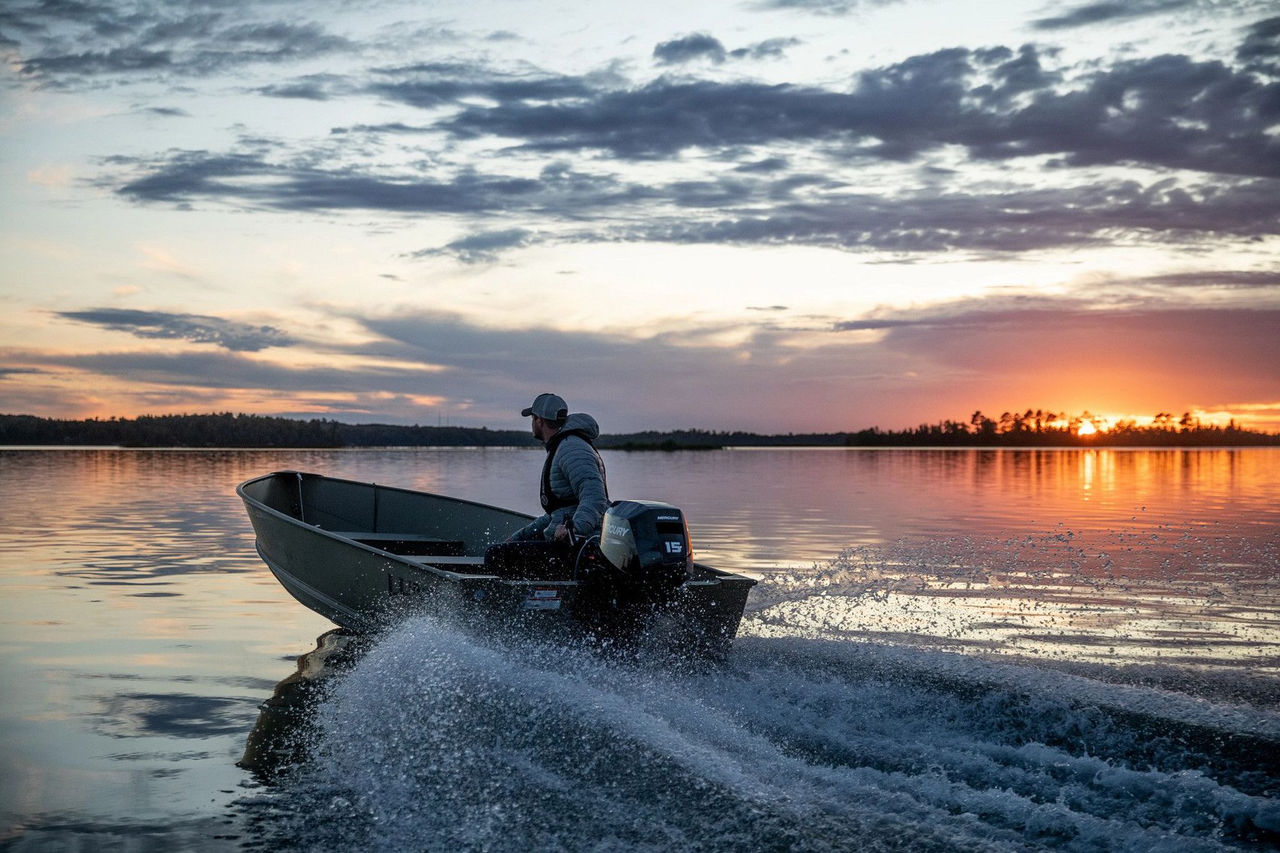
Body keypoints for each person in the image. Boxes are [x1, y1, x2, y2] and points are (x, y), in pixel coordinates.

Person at [507, 392, 609, 543]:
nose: (532, 423)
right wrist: (518, 538)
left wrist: (575, 528)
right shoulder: (561, 446)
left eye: (532, 418)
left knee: (495, 554)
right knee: (504, 548)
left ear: (539, 420)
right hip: (563, 538)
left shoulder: (571, 448)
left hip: (581, 542)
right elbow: (558, 512)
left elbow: (594, 496)